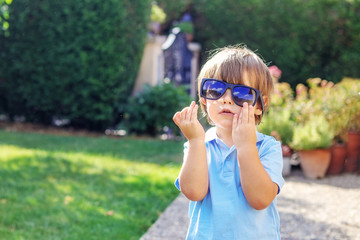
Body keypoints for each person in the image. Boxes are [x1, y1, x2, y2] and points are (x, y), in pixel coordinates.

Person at [172, 45, 285, 239]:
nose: (226, 99)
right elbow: (193, 192)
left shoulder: (267, 148)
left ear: (260, 105)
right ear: (204, 100)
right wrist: (195, 141)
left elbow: (260, 199)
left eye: (241, 93)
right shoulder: (199, 144)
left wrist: (246, 146)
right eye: (215, 89)